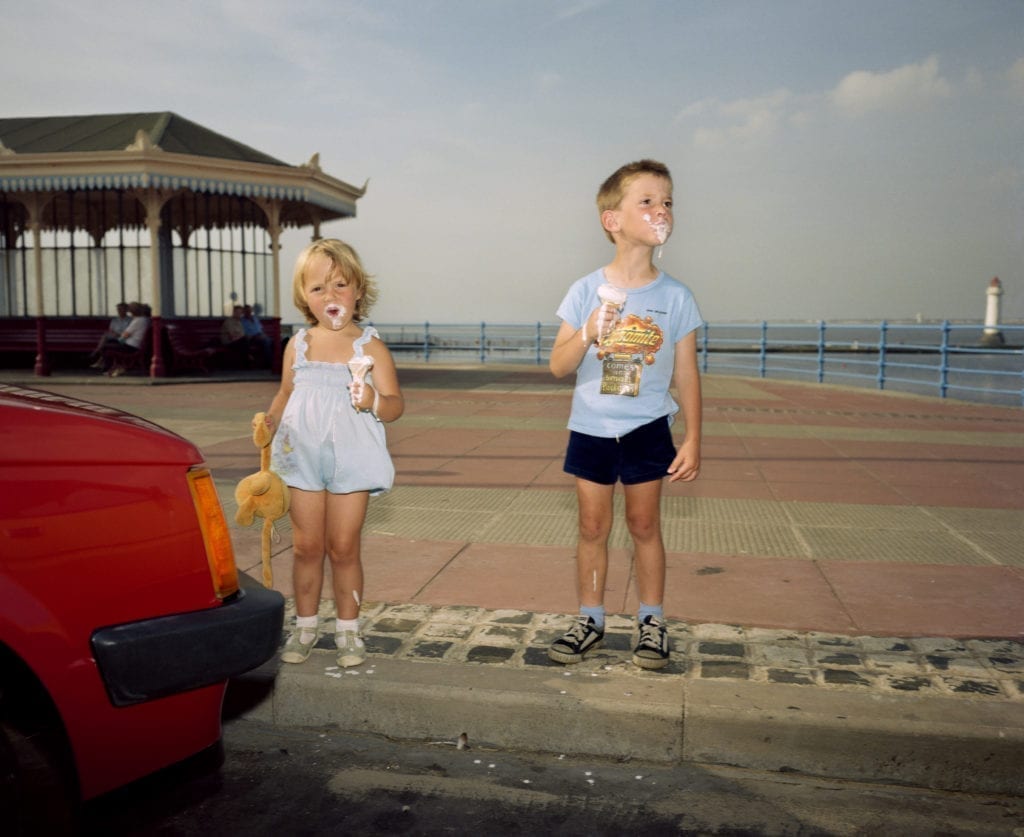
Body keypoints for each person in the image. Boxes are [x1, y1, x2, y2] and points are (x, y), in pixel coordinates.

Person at [547, 159, 703, 670]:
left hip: (648, 427)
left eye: (668, 202)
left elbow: (686, 373)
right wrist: (589, 328)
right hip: (591, 426)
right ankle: (590, 618)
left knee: (644, 525)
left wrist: (694, 437)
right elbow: (557, 365)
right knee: (592, 527)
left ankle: (651, 619)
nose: (662, 211)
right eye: (648, 202)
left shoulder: (676, 296)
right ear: (612, 220)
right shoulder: (584, 290)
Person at [265, 238, 404, 668]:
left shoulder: (371, 348)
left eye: (340, 285)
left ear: (358, 290)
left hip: (352, 457)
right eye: (318, 288)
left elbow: (396, 404)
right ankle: (305, 625)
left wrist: (373, 402)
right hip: (301, 457)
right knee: (307, 546)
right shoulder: (298, 345)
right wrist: (267, 425)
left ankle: (348, 630)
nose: (331, 297)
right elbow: (286, 392)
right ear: (304, 297)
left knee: (343, 547)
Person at [101, 302, 151, 377]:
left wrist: (120, 338)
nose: (129, 313)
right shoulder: (146, 320)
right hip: (136, 345)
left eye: (130, 311)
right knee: (109, 342)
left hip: (131, 347)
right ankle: (113, 365)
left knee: (106, 347)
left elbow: (124, 335)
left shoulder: (138, 321)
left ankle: (108, 369)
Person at [88, 302, 131, 368]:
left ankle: (97, 353)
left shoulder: (129, 320)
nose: (119, 311)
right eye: (118, 309)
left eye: (121, 309)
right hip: (115, 337)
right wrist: (115, 334)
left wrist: (118, 334)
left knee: (105, 339)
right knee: (106, 341)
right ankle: (101, 360)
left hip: (124, 339)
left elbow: (128, 332)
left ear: (125, 310)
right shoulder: (115, 320)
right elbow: (111, 330)